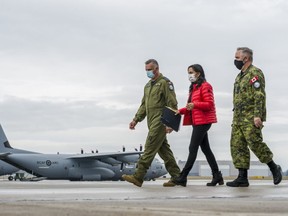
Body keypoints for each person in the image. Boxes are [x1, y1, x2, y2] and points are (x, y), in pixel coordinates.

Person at [226, 47, 282, 187]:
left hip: (251, 116)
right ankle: (242, 177)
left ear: (246, 58)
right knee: (237, 146)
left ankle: (274, 168)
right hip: (238, 117)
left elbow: (259, 95)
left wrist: (258, 115)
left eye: (237, 58)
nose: (235, 60)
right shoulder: (239, 76)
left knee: (255, 143)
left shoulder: (255, 73)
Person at [122, 59, 180, 187]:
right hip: (150, 120)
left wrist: (171, 123)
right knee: (164, 150)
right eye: (146, 70)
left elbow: (172, 103)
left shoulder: (165, 83)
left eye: (149, 69)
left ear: (156, 69)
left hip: (161, 120)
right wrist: (135, 119)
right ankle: (177, 177)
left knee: (149, 146)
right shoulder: (147, 86)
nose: (148, 72)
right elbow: (144, 106)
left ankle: (138, 176)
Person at [170, 64, 223, 187]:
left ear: (198, 73)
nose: (189, 75)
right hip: (196, 121)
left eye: (191, 72)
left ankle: (183, 177)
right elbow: (191, 106)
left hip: (204, 122)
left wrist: (195, 105)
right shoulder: (194, 88)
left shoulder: (206, 86)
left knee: (192, 148)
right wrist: (181, 111)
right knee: (206, 149)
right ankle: (217, 176)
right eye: (188, 73)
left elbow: (209, 104)